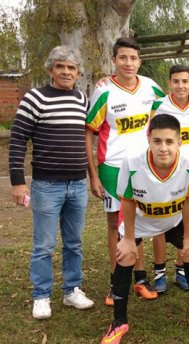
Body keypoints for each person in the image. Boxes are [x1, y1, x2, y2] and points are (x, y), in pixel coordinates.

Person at [100, 114, 189, 344]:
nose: (163, 148)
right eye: (157, 141)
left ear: (179, 143)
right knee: (126, 255)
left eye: (169, 141)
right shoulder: (132, 163)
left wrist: (188, 234)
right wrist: (130, 239)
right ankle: (119, 323)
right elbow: (128, 202)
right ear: (148, 139)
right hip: (141, 219)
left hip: (172, 220)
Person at [9, 45, 94, 319]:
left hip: (77, 185)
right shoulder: (35, 98)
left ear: (78, 72)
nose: (66, 72)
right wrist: (18, 182)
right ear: (51, 70)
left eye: (71, 67)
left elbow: (87, 135)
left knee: (74, 242)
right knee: (44, 245)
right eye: (61, 67)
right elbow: (17, 140)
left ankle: (72, 291)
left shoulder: (82, 99)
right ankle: (41, 295)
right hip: (47, 185)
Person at [86, 37, 165, 305]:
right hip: (112, 167)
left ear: (139, 61)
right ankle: (114, 282)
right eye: (123, 58)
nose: (128, 63)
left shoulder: (151, 88)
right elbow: (89, 131)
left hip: (143, 166)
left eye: (133, 58)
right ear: (114, 60)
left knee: (139, 221)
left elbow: (176, 103)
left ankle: (140, 279)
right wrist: (93, 175)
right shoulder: (104, 91)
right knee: (114, 224)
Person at [149, 64, 189, 292]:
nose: (180, 86)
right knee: (160, 224)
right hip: (163, 173)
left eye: (185, 81)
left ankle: (181, 270)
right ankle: (159, 272)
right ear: (169, 84)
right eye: (176, 81)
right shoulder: (159, 106)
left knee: (186, 223)